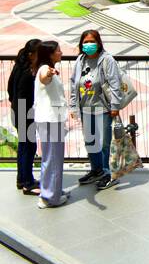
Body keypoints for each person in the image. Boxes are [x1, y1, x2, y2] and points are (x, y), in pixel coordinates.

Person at [71, 30, 127, 190]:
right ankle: (96, 169)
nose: (88, 45)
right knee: (90, 142)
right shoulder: (80, 60)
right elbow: (73, 83)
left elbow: (114, 83)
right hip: (85, 108)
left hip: (103, 108)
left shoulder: (107, 59)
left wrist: (115, 106)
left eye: (92, 41)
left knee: (104, 142)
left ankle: (108, 173)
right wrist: (74, 105)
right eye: (85, 42)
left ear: (98, 42)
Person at [33, 41, 70, 209]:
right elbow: (44, 77)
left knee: (53, 157)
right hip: (50, 121)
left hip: (51, 119)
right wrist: (49, 73)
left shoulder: (47, 68)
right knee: (52, 158)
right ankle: (50, 197)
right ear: (50, 54)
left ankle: (52, 191)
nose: (61, 53)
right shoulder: (44, 69)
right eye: (58, 51)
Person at [6, 39, 41, 194]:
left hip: (17, 111)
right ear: (31, 54)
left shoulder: (20, 66)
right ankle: (27, 182)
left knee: (23, 146)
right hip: (23, 113)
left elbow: (9, 87)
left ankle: (22, 179)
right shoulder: (29, 73)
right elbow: (21, 95)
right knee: (29, 147)